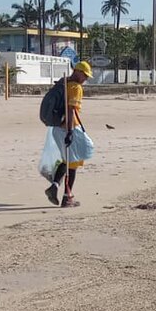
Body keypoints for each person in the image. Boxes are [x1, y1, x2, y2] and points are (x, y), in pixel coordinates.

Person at [45, 60, 92, 208]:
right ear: (78, 72)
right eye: (84, 75)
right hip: (68, 127)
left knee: (68, 160)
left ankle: (54, 186)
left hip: (56, 128)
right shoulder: (76, 87)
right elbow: (71, 109)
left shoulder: (62, 83)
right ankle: (67, 197)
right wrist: (70, 131)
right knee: (73, 163)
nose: (85, 79)